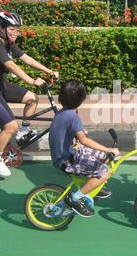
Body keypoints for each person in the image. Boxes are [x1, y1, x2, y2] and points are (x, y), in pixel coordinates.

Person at [0, 11, 59, 177]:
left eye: (17, 29)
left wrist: (49, 71)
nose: (16, 32)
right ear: (1, 28)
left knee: (32, 98)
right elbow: (12, 66)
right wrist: (31, 80)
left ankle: (24, 131)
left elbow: (28, 59)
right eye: (12, 28)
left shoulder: (8, 45)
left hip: (0, 86)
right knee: (11, 125)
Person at [49, 80, 120, 217]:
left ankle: (93, 184)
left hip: (65, 154)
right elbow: (84, 140)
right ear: (82, 99)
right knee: (106, 172)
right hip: (67, 160)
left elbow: (68, 132)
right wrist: (108, 149)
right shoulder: (73, 116)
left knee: (102, 157)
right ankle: (75, 198)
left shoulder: (62, 112)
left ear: (60, 97)